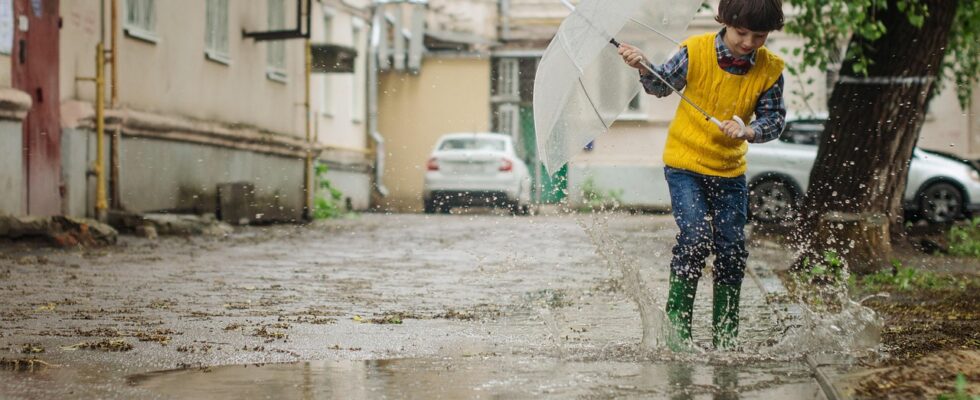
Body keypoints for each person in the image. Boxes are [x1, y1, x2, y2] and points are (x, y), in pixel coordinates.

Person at [617, 0, 786, 350]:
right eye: (742, 32)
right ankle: (678, 336)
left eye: (760, 36)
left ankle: (726, 338)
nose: (749, 43)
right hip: (685, 165)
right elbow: (660, 87)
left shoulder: (770, 69)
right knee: (694, 239)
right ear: (724, 21)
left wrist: (749, 131)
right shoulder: (694, 52)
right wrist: (644, 67)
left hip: (730, 171)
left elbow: (774, 120)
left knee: (732, 249)